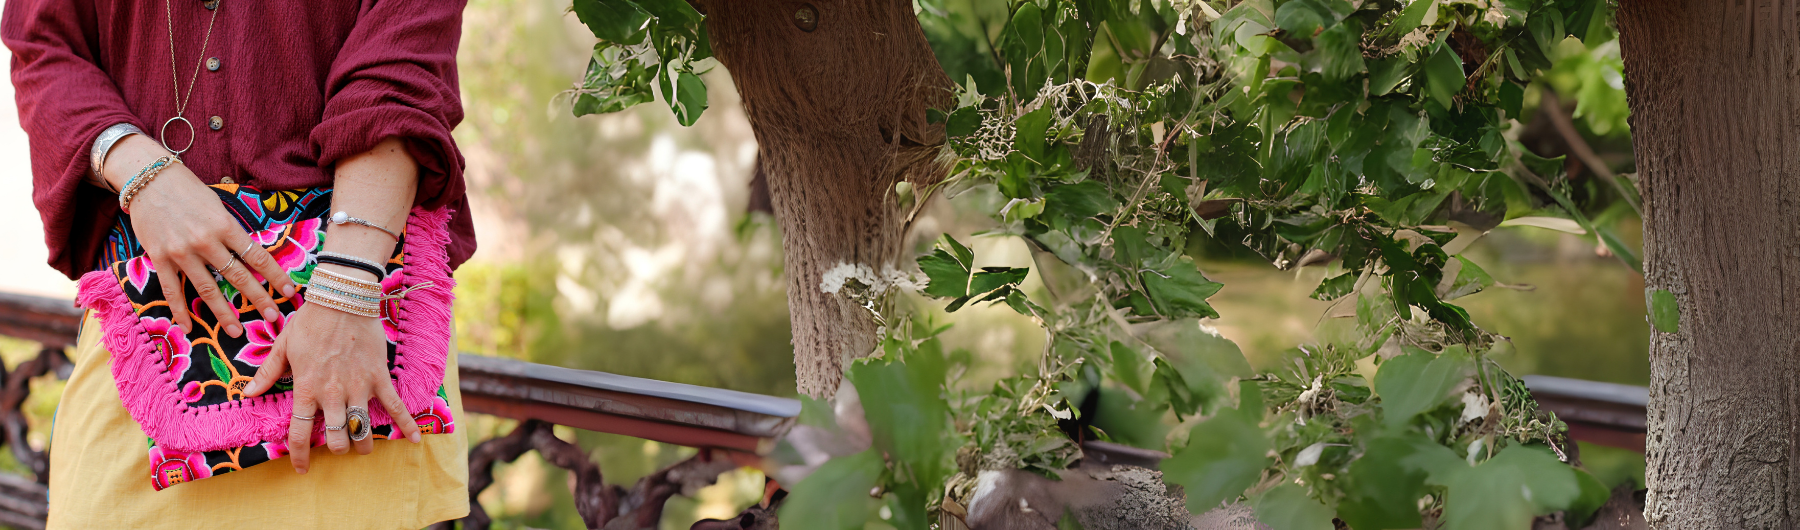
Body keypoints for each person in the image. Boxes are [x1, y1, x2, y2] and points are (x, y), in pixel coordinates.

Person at [3, 0, 477, 527]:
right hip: (147, 325)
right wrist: (146, 177)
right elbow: (43, 46)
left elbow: (401, 67)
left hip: (357, 318)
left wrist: (344, 292)